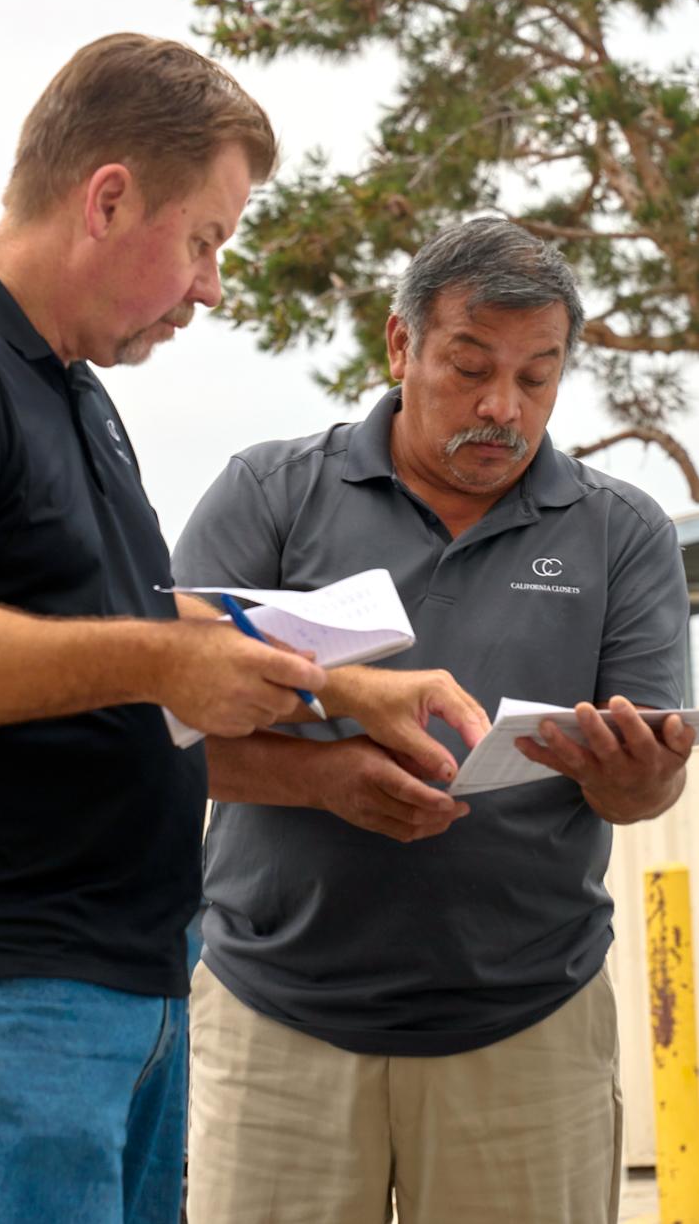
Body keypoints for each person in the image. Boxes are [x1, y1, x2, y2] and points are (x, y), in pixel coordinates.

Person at [0, 34, 483, 1224]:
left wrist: (332, 688)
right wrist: (172, 657)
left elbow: (113, 640)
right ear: (109, 196)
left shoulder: (71, 395)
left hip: (121, 983)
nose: (213, 285)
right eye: (207, 238)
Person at [172, 217, 695, 1224]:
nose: (502, 406)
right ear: (400, 345)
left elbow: (644, 783)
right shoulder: (270, 494)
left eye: (537, 377)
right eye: (469, 366)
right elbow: (164, 732)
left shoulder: (620, 532)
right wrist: (326, 778)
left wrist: (637, 777)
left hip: (529, 1025)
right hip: (275, 1022)